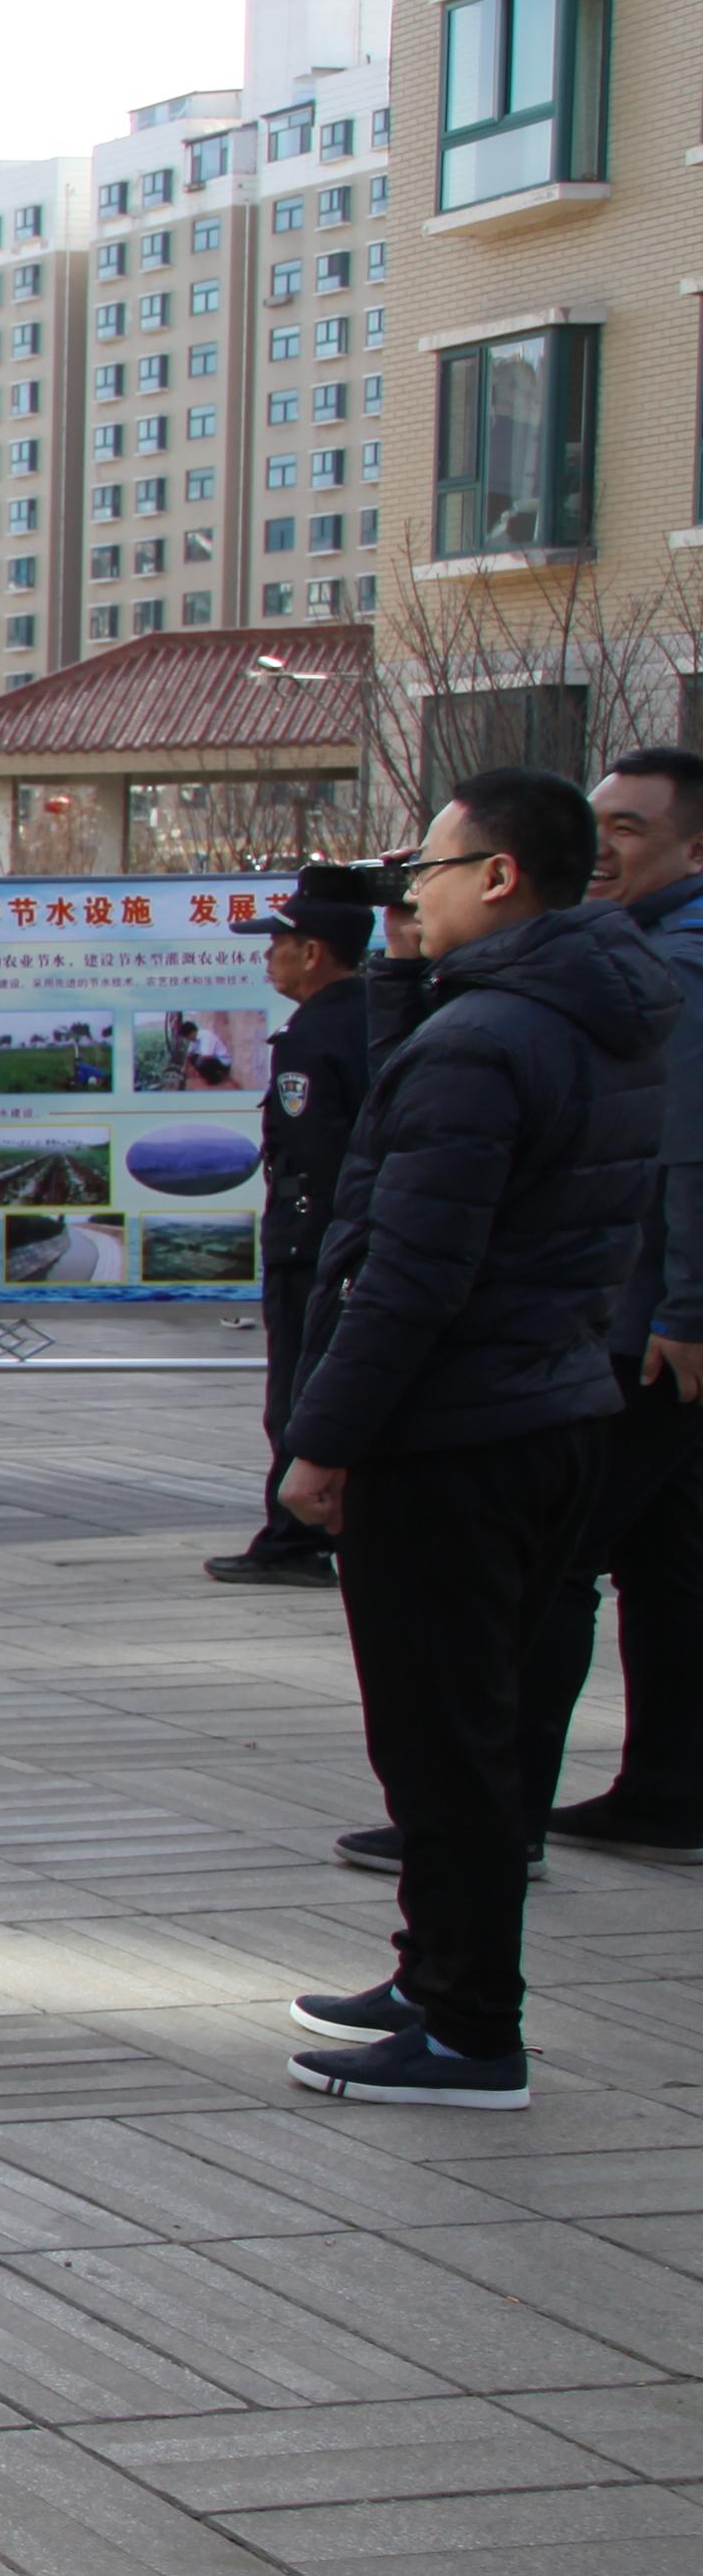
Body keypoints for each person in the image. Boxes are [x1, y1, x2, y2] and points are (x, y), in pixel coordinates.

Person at [279, 775, 674, 2110]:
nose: (408, 896)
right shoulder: (592, 1014)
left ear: (500, 877)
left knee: (443, 1739)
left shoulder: (487, 1041)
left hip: (453, 1432)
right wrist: (407, 982)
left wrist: (321, 1444)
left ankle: (467, 2026)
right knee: (479, 1727)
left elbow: (410, 1270)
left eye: (429, 872)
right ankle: (438, 1973)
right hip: (552, 1404)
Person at [528, 752, 703, 1852]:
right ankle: (669, 1792)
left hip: (644, 1327)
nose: (603, 848)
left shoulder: (676, 967)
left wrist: (687, 1308)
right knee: (670, 1559)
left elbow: (686, 1155)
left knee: (550, 1562)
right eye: (597, 825)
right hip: (654, 1315)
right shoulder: (648, 949)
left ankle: (492, 1818)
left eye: (629, 829)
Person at [214, 871, 381, 1589]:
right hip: (356, 1234)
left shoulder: (312, 1036)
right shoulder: (378, 1014)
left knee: (298, 1391)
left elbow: (313, 1151)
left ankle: (294, 1538)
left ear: (313, 953)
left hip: (312, 1238)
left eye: (277, 944)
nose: (267, 957)